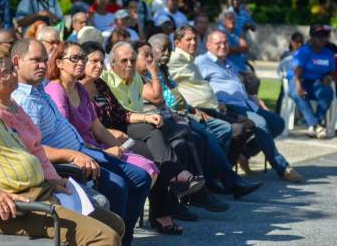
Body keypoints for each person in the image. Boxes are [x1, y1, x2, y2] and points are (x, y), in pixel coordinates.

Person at [0, 39, 124, 245]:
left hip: (40, 193)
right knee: (105, 238)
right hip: (10, 209)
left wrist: (50, 180)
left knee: (114, 223)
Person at [10, 38, 150, 246]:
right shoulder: (26, 100)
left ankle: (123, 239)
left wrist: (113, 148)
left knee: (141, 177)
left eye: (44, 60)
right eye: (35, 60)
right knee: (119, 186)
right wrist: (72, 155)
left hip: (84, 150)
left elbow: (97, 126)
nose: (42, 65)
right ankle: (115, 240)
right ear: (17, 61)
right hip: (70, 161)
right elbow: (33, 148)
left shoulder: (41, 89)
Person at [80, 41, 206, 228]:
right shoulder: (77, 89)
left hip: (119, 130)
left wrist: (146, 117)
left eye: (100, 61)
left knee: (153, 130)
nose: (99, 66)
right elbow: (86, 127)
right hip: (102, 138)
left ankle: (175, 182)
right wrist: (109, 133)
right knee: (154, 157)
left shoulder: (100, 85)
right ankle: (167, 203)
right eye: (94, 61)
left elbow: (120, 113)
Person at [138, 38, 261, 197]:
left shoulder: (164, 70)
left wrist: (191, 109)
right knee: (203, 136)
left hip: (185, 112)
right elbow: (159, 99)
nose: (167, 53)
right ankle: (218, 183)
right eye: (162, 49)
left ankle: (214, 179)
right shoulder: (149, 74)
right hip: (169, 118)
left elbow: (177, 97)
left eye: (169, 49)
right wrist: (182, 112)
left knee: (227, 130)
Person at [195, 30, 304, 182]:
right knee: (261, 124)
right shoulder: (201, 62)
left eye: (225, 42)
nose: (223, 46)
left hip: (247, 103)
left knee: (278, 123)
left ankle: (244, 153)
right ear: (208, 45)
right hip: (229, 106)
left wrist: (253, 98)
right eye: (218, 43)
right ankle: (282, 167)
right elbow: (197, 87)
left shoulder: (228, 62)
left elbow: (237, 86)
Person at [45, 41, 159, 182]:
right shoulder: (56, 91)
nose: (80, 62)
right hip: (80, 153)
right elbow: (67, 136)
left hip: (94, 146)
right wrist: (104, 152)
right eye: (75, 58)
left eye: (82, 58)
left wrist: (121, 149)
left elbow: (98, 128)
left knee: (148, 166)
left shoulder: (80, 90)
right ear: (59, 63)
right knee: (141, 173)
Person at [287, 25, 334, 139]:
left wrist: (328, 77)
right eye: (319, 36)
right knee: (298, 94)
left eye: (324, 36)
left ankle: (315, 126)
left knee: (327, 93)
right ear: (312, 38)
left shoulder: (328, 53)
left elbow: (332, 71)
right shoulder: (303, 52)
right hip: (299, 80)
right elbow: (297, 72)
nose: (322, 38)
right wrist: (299, 87)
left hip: (317, 84)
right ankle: (316, 125)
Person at [217, 10, 260, 95]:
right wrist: (237, 49)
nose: (232, 21)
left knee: (255, 80)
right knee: (241, 81)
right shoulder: (221, 32)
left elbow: (245, 48)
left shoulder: (238, 30)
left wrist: (233, 49)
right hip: (228, 67)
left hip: (241, 66)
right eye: (229, 19)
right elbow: (226, 51)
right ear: (224, 21)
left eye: (233, 19)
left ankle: (251, 102)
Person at [275, 32, 304, 113]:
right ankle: (280, 111)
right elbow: (281, 68)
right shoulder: (286, 54)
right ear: (291, 41)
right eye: (296, 42)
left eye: (300, 42)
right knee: (284, 92)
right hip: (288, 79)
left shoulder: (304, 54)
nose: (298, 44)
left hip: (300, 79)